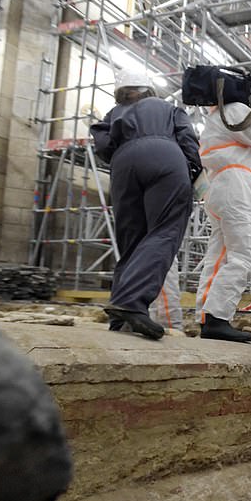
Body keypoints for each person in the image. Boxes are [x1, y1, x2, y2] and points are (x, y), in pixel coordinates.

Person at [90, 70, 201, 340]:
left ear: (121, 92)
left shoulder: (113, 114)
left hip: (123, 164)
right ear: (149, 90)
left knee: (131, 241)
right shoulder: (168, 108)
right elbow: (188, 139)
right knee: (165, 231)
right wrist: (194, 171)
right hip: (164, 156)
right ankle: (132, 302)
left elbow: (102, 146)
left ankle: (120, 315)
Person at [195, 97, 251, 342]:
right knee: (247, 255)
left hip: (220, 186)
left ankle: (206, 315)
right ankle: (217, 317)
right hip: (237, 187)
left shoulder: (217, 115)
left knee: (219, 256)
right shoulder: (235, 110)